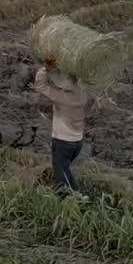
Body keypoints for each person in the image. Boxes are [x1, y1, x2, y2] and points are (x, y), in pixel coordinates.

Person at [34, 58, 89, 200]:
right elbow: (66, 82)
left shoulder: (62, 97)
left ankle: (68, 200)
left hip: (63, 141)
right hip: (77, 141)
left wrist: (45, 68)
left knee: (60, 173)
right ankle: (79, 195)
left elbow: (40, 85)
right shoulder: (82, 93)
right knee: (65, 169)